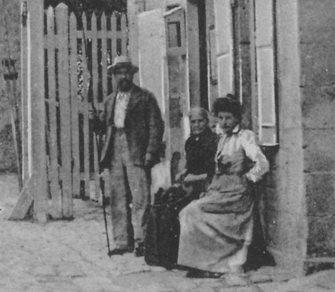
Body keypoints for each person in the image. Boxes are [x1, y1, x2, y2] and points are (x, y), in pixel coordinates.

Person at [177, 94, 270, 278]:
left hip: (236, 196)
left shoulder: (245, 137)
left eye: (229, 118)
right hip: (220, 190)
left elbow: (263, 164)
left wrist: (248, 177)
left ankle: (216, 264)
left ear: (237, 118)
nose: (224, 122)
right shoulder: (222, 139)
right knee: (187, 212)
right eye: (221, 118)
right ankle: (203, 263)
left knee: (193, 212)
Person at [96, 55, 165, 257]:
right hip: (114, 149)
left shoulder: (145, 98)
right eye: (119, 73)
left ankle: (142, 240)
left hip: (136, 149)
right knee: (117, 197)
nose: (123, 76)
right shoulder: (110, 100)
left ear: (132, 74)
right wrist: (96, 123)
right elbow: (104, 126)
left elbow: (155, 126)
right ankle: (121, 241)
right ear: (113, 76)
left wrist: (151, 151)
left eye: (126, 72)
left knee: (140, 197)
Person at [174, 107, 217, 200]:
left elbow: (215, 169)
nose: (197, 125)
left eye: (200, 121)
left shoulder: (214, 140)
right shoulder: (190, 142)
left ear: (207, 121)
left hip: (209, 182)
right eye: (193, 122)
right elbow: (191, 164)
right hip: (192, 183)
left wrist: (195, 178)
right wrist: (183, 172)